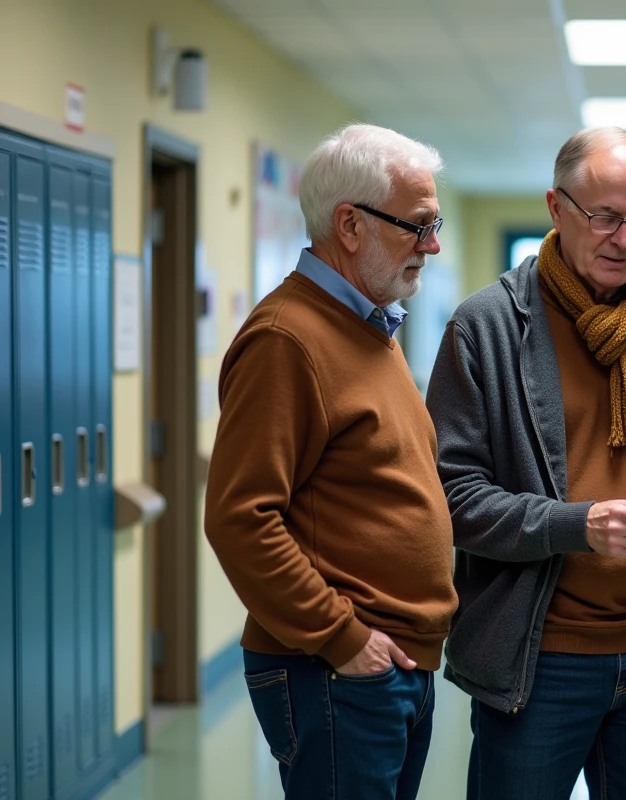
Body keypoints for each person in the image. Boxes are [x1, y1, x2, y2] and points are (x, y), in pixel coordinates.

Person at [425, 127, 626, 800]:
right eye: (604, 218)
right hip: (537, 666)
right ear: (555, 207)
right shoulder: (484, 328)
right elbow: (451, 499)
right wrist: (580, 525)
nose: (623, 239)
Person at [204, 123, 457, 800]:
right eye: (419, 225)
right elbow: (240, 518)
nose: (431, 246)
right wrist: (342, 638)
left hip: (386, 663)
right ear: (350, 224)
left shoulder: (371, 327)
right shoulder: (288, 338)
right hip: (335, 669)